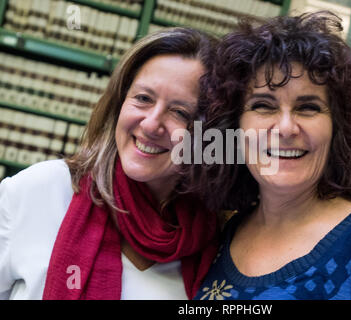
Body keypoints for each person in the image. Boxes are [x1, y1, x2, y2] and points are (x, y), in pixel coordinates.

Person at [190, 12, 351, 300]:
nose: (286, 128)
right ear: (234, 126)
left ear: (337, 129)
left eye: (308, 107)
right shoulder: (220, 236)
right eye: (263, 105)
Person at [0, 28, 219, 300]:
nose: (151, 124)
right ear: (120, 102)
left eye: (180, 112)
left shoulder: (216, 243)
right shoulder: (39, 190)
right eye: (143, 98)